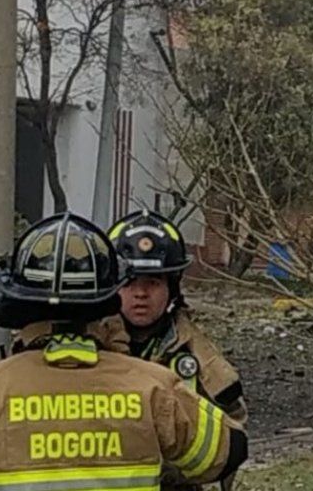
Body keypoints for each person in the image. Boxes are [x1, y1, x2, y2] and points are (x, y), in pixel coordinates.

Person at [0, 213, 247, 491]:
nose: (141, 293)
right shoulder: (155, 389)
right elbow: (229, 451)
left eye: (153, 282)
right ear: (107, 300)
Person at [109, 210, 246, 490]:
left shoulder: (198, 355)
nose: (141, 293)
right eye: (130, 282)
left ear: (172, 288)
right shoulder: (92, 350)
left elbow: (233, 431)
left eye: (153, 282)